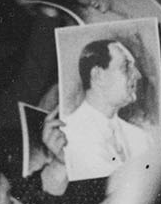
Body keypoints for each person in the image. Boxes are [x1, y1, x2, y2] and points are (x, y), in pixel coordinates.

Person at [62, 35, 149, 178]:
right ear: (98, 75)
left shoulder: (140, 137)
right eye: (126, 67)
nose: (137, 75)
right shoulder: (67, 134)